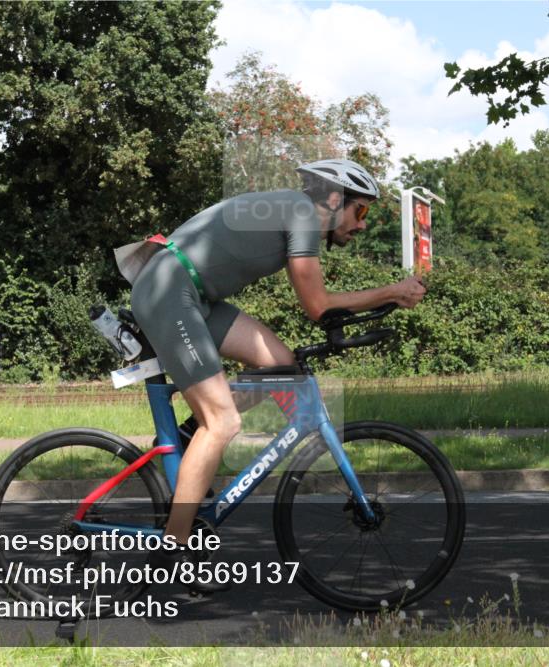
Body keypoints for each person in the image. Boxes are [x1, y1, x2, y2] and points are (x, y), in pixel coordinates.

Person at [128, 159, 427, 592]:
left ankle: (189, 440)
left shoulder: (295, 211)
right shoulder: (304, 214)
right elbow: (318, 306)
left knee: (281, 365)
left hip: (191, 292)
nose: (362, 226)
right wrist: (393, 292)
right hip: (170, 290)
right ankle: (175, 549)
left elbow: (319, 309)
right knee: (225, 421)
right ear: (333, 198)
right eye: (361, 212)